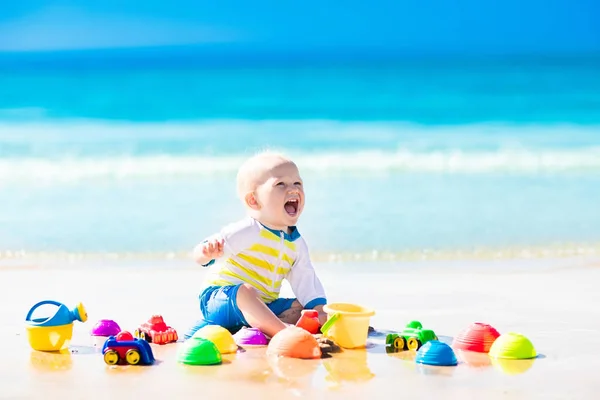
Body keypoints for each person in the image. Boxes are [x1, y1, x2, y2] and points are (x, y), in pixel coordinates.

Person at [184, 151, 327, 339]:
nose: (293, 189)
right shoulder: (249, 230)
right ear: (253, 200)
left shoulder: (297, 244)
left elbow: (306, 282)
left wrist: (320, 312)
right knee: (246, 292)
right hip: (221, 299)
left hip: (263, 304)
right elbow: (201, 253)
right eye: (280, 184)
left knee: (304, 308)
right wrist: (206, 252)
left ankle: (265, 326)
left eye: (297, 183)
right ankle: (283, 333)